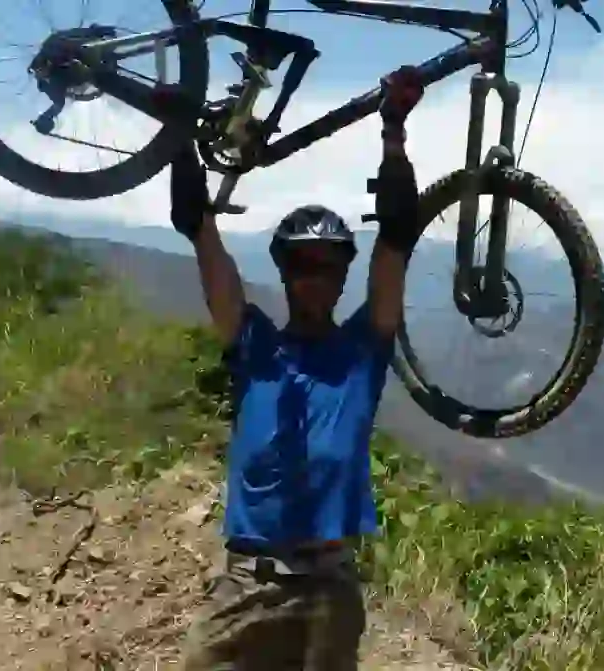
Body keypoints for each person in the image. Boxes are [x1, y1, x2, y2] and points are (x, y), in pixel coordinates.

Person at [177, 65, 426, 670]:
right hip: (247, 588)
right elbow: (200, 233)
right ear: (285, 272)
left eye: (327, 265)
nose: (314, 277)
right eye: (301, 264)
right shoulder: (254, 345)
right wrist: (179, 140)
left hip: (328, 594)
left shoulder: (364, 351)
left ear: (343, 275)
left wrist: (393, 133)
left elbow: (397, 237)